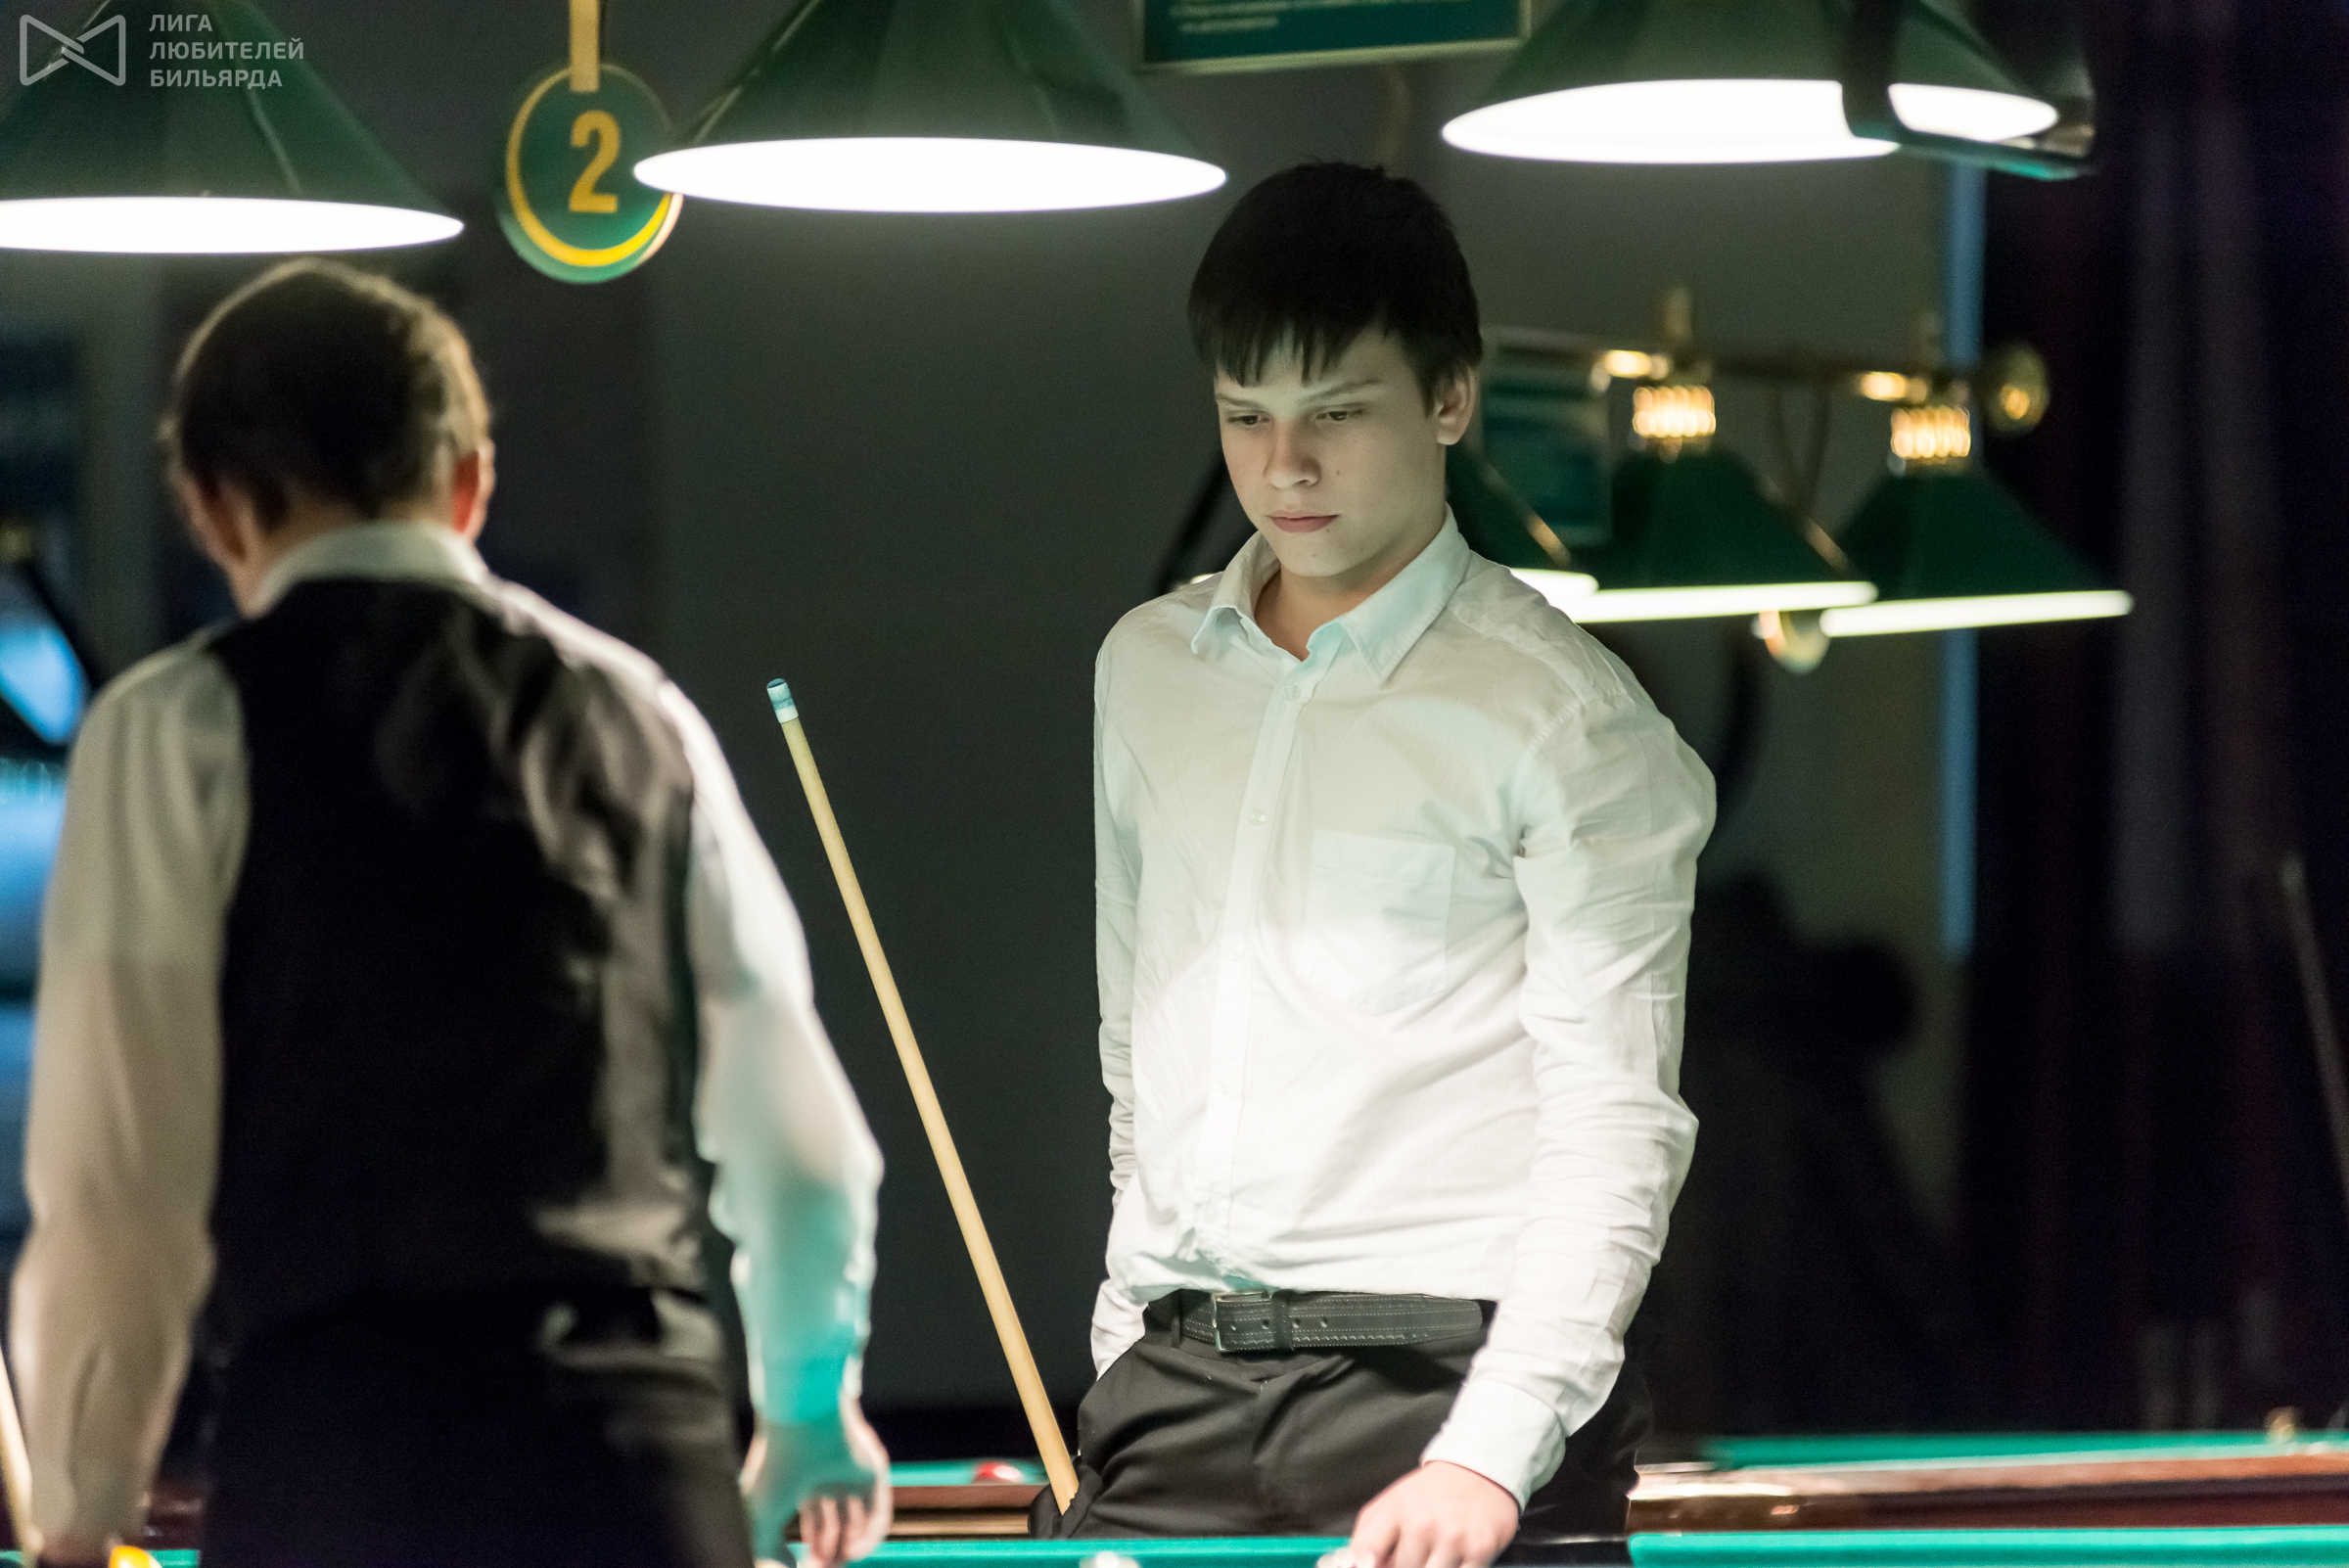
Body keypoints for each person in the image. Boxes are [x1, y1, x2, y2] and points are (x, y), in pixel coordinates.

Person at [10, 258, 892, 1568]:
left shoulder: (174, 726)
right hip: (635, 1471)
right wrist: (812, 1408)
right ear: (471, 482)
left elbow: (122, 1185)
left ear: (213, 508)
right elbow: (805, 1153)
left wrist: (82, 1508)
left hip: (343, 1465)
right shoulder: (641, 713)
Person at [1038, 162, 1716, 1566]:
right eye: (1246, 416)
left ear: (1449, 398)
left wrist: (1486, 1452)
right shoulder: (1147, 669)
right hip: (1174, 1392)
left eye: (1337, 414)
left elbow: (1617, 1124)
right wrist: (1123, 1353)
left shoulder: (1569, 717)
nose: (1284, 465)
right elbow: (1139, 1045)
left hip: (1448, 1389)